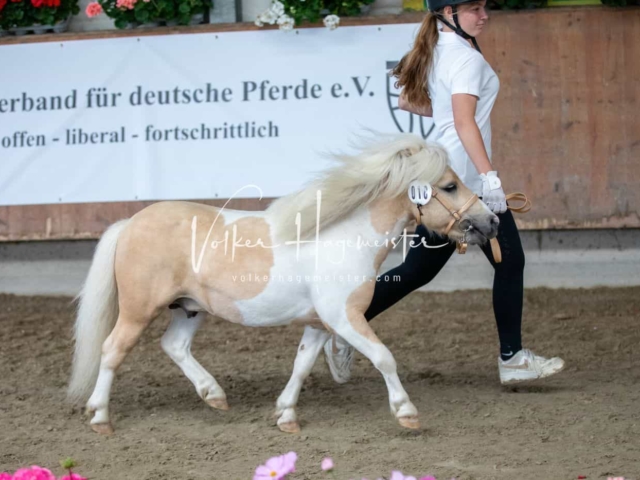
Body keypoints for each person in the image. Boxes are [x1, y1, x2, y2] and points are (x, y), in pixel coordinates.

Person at [324, 0, 565, 385]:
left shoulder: (438, 49)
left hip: (443, 179)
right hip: (462, 185)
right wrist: (490, 180)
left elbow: (408, 101)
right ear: (448, 12)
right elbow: (465, 123)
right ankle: (512, 358)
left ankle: (343, 324)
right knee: (509, 261)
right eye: (474, 9)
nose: (484, 15)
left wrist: (450, 132)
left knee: (416, 270)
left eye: (485, 7)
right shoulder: (465, 59)